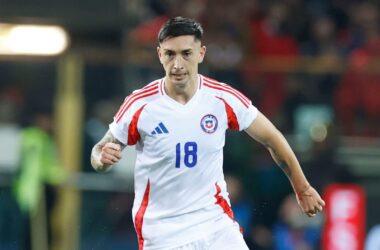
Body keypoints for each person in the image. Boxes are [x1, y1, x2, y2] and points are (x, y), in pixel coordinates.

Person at [91, 16, 325, 250]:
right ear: (159, 54)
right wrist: (101, 159)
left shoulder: (221, 98)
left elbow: (271, 137)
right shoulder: (140, 104)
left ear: (201, 53)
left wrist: (302, 187)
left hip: (214, 225)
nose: (178, 64)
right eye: (170, 54)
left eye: (186, 53)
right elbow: (100, 150)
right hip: (162, 233)